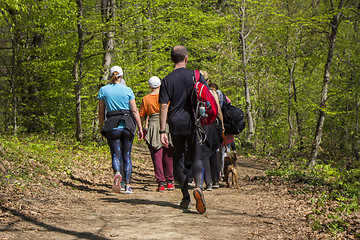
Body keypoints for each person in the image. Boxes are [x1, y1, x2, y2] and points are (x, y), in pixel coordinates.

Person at [159, 45, 207, 214]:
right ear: (186, 58)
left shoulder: (166, 80)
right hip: (193, 122)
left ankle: (185, 197)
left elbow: (164, 106)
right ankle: (199, 187)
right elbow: (205, 97)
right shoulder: (196, 75)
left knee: (179, 158)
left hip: (175, 124)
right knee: (196, 157)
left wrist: (162, 131)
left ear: (172, 60)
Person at [98, 66, 144, 194]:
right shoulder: (127, 89)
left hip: (112, 125)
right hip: (127, 124)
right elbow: (134, 110)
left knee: (115, 155)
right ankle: (128, 185)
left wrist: (101, 127)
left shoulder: (103, 90)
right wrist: (140, 127)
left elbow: (101, 112)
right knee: (127, 156)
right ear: (122, 76)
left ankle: (118, 173)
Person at [140, 76, 175, 192]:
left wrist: (142, 129)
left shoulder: (146, 99)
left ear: (150, 86)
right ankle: (170, 181)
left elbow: (142, 115)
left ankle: (161, 182)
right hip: (166, 124)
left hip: (153, 125)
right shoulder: (166, 96)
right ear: (160, 85)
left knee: (157, 155)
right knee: (168, 153)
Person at [200, 71, 224, 191]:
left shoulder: (196, 90)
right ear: (208, 80)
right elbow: (218, 110)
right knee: (213, 151)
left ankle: (208, 182)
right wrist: (222, 124)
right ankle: (215, 181)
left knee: (204, 153)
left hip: (201, 125)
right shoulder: (212, 92)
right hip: (212, 124)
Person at [209, 83, 236, 179]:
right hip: (227, 129)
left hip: (215, 127)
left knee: (216, 152)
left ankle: (218, 172)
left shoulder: (209, 97)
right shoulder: (226, 99)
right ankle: (224, 173)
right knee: (225, 152)